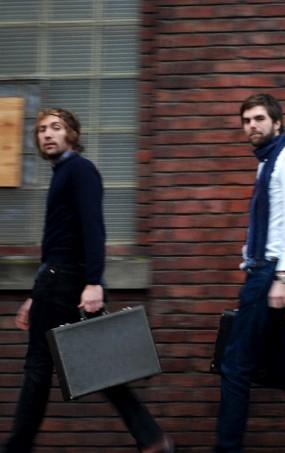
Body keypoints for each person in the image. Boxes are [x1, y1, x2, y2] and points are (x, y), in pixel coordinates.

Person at [4, 108, 174, 453]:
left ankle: (17, 448)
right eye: (41, 129)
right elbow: (58, 240)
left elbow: (93, 228)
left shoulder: (80, 170)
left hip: (66, 281)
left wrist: (94, 282)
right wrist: (36, 294)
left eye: (56, 127)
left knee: (39, 369)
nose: (47, 134)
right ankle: (152, 439)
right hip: (57, 281)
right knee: (96, 363)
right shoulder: (63, 173)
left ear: (72, 135)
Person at [215, 94, 285, 452]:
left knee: (235, 366)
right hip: (264, 272)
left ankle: (226, 448)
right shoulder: (267, 164)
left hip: (272, 276)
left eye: (259, 118)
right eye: (247, 120)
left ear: (277, 123)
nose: (252, 126)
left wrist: (284, 277)